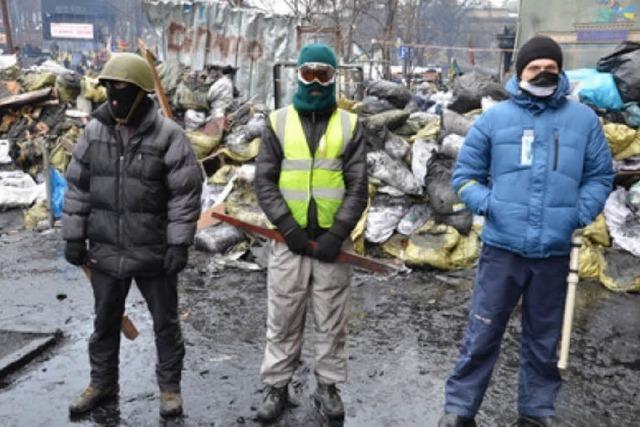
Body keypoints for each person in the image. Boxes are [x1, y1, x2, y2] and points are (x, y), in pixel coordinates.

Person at [438, 36, 613, 427]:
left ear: (561, 71)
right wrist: (491, 205)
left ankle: (535, 410)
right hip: (503, 251)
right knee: (482, 332)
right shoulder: (495, 119)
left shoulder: (582, 121)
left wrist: (576, 213)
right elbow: (465, 177)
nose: (543, 73)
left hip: (553, 251)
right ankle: (460, 408)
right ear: (520, 73)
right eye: (535, 68)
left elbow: (600, 175)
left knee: (544, 339)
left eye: (551, 67)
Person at [62, 53, 202, 418]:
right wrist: (74, 236)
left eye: (120, 86)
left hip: (153, 250)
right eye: (108, 86)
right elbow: (77, 186)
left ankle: (170, 388)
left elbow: (185, 194)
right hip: (106, 249)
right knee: (104, 322)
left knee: (165, 325)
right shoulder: (95, 131)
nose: (113, 93)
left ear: (140, 91)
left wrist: (178, 243)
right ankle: (102, 383)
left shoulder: (169, 136)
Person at [253, 43, 367, 422]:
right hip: (290, 242)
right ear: (297, 75)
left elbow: (358, 186)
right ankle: (276, 385)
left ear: (334, 78)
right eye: (309, 74)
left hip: (333, 244)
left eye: (324, 75)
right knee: (283, 317)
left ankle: (329, 386)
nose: (316, 82)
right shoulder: (278, 121)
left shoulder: (350, 124)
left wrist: (337, 233)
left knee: (331, 320)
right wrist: (287, 226)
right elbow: (265, 181)